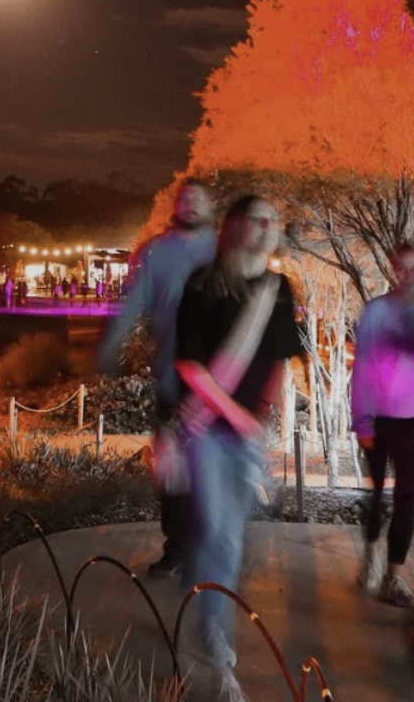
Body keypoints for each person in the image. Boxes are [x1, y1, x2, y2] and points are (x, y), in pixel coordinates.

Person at [172, 195, 307, 700]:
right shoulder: (203, 285)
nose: (268, 227)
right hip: (208, 430)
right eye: (257, 219)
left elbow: (276, 360)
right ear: (234, 227)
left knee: (228, 535)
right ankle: (214, 636)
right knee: (222, 532)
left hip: (247, 432)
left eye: (274, 220)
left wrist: (262, 419)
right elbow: (190, 365)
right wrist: (236, 416)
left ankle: (206, 603)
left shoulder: (279, 288)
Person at [97, 178, 217, 578]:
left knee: (207, 467)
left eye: (197, 199)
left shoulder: (221, 251)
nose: (190, 204)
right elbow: (133, 302)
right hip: (170, 374)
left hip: (216, 381)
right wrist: (110, 345)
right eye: (184, 198)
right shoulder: (155, 252)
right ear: (175, 205)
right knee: (170, 469)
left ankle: (207, 548)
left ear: (209, 205)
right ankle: (177, 547)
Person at [349, 244, 414, 608]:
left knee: (407, 499)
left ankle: (394, 577)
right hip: (379, 416)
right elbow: (363, 369)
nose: (408, 275)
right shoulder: (375, 312)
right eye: (401, 268)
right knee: (376, 496)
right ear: (393, 269)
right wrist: (362, 420)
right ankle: (371, 556)